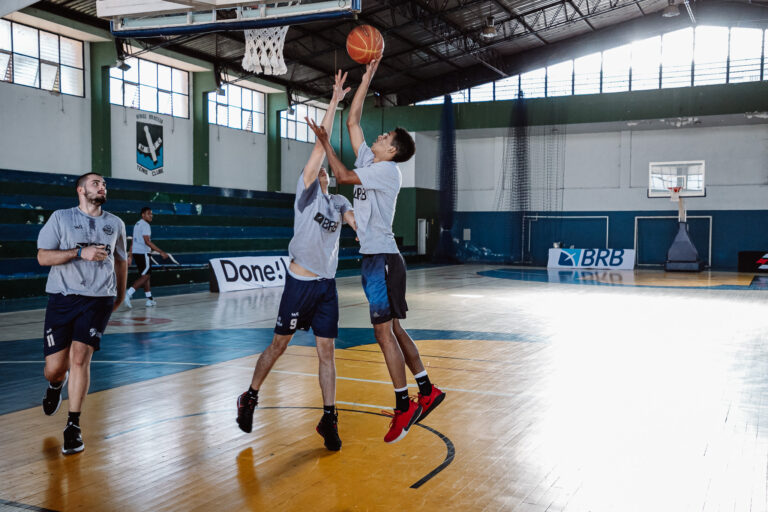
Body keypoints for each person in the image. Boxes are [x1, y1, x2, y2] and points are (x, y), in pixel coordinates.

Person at [308, 59, 445, 444]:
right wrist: (367, 78)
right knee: (394, 329)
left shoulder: (386, 171)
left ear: (393, 150)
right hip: (380, 257)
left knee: (383, 333)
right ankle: (427, 389)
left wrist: (324, 141)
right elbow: (353, 122)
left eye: (385, 137)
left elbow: (340, 176)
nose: (378, 137)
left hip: (381, 259)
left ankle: (404, 407)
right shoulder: (372, 161)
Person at [236, 70, 354, 451]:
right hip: (299, 284)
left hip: (326, 287)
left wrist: (365, 228)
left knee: (327, 352)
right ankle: (250, 396)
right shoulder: (306, 195)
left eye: (325, 171)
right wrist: (333, 101)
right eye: (317, 168)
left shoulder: (339, 202)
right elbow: (320, 145)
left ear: (331, 179)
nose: (321, 170)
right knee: (278, 345)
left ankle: (329, 418)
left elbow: (354, 220)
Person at [37, 172, 127, 455]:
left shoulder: (116, 223)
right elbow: (43, 257)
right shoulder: (60, 218)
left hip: (98, 299)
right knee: (55, 368)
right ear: (80, 190)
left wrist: (120, 294)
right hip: (63, 298)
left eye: (104, 184)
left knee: (80, 358)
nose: (102, 187)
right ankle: (55, 385)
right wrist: (79, 252)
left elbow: (121, 260)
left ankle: (73, 425)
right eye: (96, 183)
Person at [124, 206, 168, 308]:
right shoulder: (145, 225)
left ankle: (149, 299)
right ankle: (128, 294)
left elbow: (133, 242)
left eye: (151, 214)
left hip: (136, 253)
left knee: (145, 276)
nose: (151, 215)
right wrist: (161, 252)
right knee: (146, 276)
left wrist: (130, 256)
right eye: (149, 213)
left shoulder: (137, 224)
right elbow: (147, 241)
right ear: (143, 215)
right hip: (143, 253)